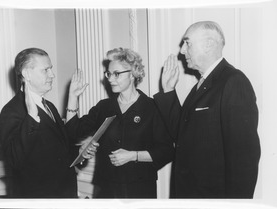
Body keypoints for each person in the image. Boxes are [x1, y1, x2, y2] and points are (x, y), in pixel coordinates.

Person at [154, 21, 261, 198]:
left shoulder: (233, 82)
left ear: (209, 44)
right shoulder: (202, 85)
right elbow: (181, 134)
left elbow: (244, 160)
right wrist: (168, 91)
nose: (181, 50)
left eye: (187, 43)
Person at [65, 48, 174, 198]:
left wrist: (133, 155)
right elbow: (73, 132)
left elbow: (167, 151)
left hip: (140, 188)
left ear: (133, 74)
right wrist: (72, 97)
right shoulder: (104, 107)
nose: (110, 79)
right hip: (107, 188)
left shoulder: (152, 107)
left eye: (116, 74)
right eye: (108, 74)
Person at [0, 48, 97, 198]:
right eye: (46, 70)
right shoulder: (11, 111)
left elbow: (60, 151)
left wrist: (80, 153)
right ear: (27, 74)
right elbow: (14, 160)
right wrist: (31, 118)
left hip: (64, 194)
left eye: (51, 69)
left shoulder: (49, 106)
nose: (52, 75)